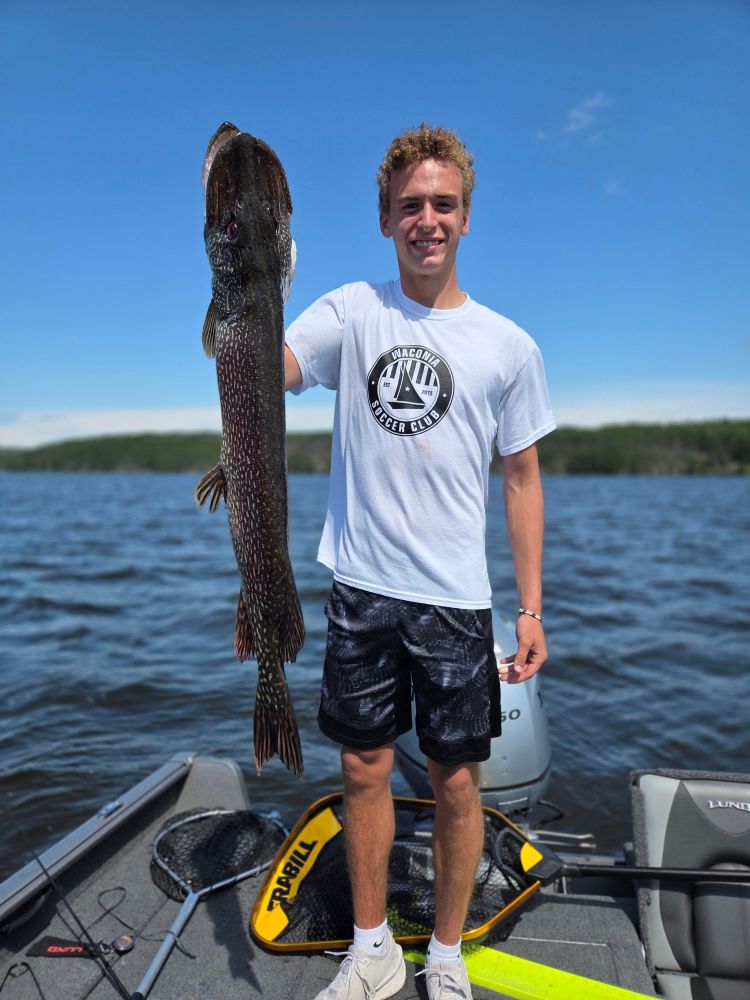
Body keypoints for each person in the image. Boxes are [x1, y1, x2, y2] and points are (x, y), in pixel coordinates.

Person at [284, 123, 555, 1000]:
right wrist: (243, 289)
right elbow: (269, 368)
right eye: (410, 206)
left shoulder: (508, 345)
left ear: (466, 218)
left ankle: (442, 954)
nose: (426, 220)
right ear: (384, 219)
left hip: (454, 600)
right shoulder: (350, 311)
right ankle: (372, 950)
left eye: (442, 205)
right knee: (361, 768)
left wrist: (531, 606)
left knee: (457, 779)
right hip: (361, 588)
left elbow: (520, 477)